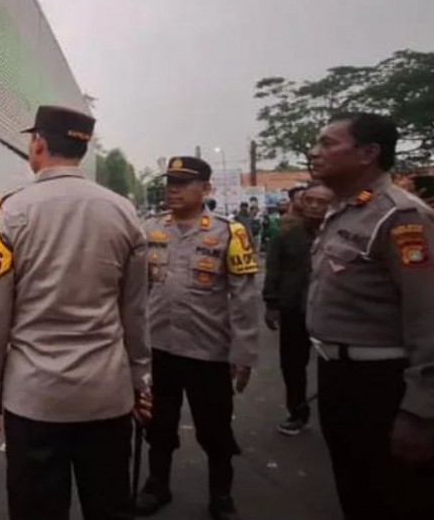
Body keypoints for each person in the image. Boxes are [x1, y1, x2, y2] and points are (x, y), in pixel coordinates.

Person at [0, 105, 152, 520]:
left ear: (39, 144)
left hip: (34, 399)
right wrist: (141, 379)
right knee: (108, 504)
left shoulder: (10, 212)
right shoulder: (123, 212)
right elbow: (136, 311)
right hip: (107, 395)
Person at [307, 113, 434, 520]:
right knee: (354, 487)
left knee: (393, 495)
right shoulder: (345, 209)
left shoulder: (401, 217)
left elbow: (428, 316)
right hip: (337, 375)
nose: (315, 152)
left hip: (383, 384)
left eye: (328, 144)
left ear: (368, 153)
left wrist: (420, 409)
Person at [136, 157, 260, 520]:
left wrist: (244, 353)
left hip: (208, 351)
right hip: (158, 347)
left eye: (182, 182)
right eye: (170, 181)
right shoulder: (150, 229)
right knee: (158, 424)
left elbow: (243, 298)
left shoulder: (229, 233)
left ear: (206, 188)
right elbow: (135, 291)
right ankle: (157, 484)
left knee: (215, 427)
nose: (172, 188)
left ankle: (221, 493)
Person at [263, 182, 334, 436]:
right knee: (292, 365)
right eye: (309, 200)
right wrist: (271, 304)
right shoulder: (287, 236)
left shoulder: (341, 234)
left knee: (334, 366)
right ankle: (297, 412)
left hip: (332, 313)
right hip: (294, 309)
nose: (314, 206)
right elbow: (273, 270)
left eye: (321, 201)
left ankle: (335, 416)